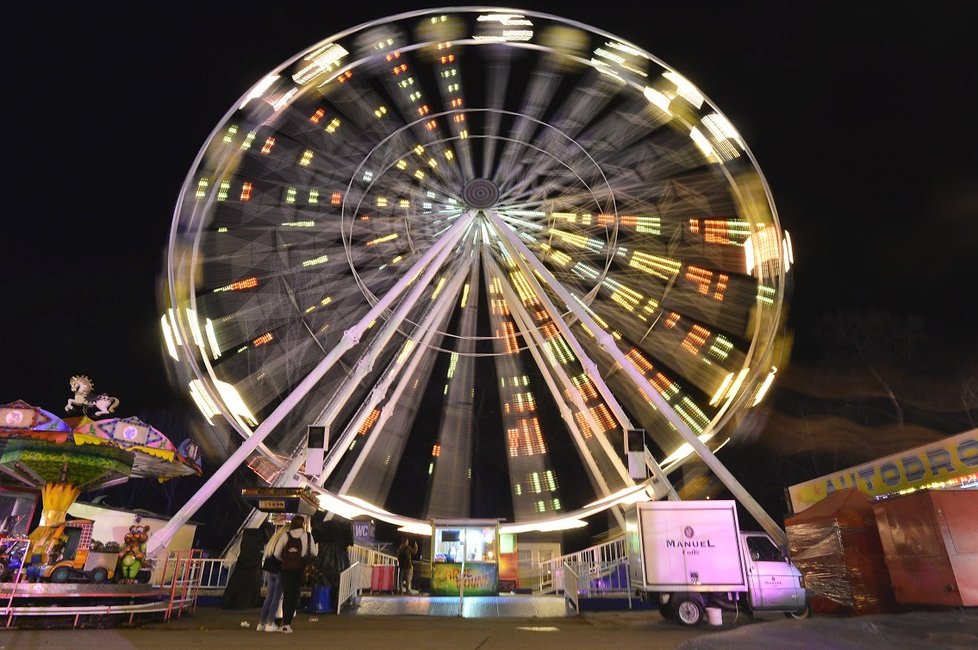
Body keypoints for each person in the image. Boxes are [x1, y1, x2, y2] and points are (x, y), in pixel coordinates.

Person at [273, 515, 318, 634]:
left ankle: (284, 623)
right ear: (303, 524)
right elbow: (314, 552)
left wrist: (285, 560)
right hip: (300, 569)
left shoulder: (285, 536)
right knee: (294, 595)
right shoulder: (307, 536)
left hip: (287, 569)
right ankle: (288, 624)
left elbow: (276, 553)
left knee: (287, 595)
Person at [256, 523, 287, 632]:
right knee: (276, 597)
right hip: (279, 570)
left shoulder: (274, 539)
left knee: (269, 597)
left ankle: (261, 623)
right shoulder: (284, 539)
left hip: (270, 569)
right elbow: (279, 555)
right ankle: (270, 623)